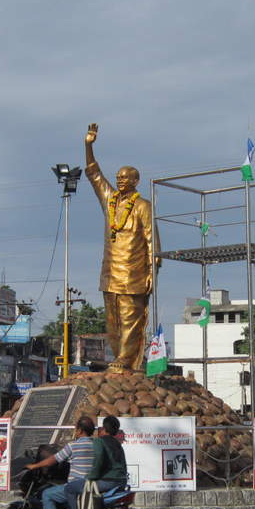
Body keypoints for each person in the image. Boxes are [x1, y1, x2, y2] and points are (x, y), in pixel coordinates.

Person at [85, 123, 158, 373]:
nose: (120, 180)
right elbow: (95, 175)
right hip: (110, 273)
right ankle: (119, 359)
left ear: (136, 181)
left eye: (125, 177)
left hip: (134, 273)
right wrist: (88, 146)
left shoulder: (143, 206)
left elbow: (152, 240)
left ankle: (127, 359)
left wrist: (151, 272)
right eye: (118, 177)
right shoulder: (110, 201)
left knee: (131, 319)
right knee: (112, 320)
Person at [24, 416, 96, 509]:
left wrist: (35, 465)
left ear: (80, 431)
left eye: (76, 429)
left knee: (47, 494)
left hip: (76, 486)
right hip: (93, 486)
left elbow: (53, 460)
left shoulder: (73, 446)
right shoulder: (97, 445)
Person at [65, 416, 128, 509]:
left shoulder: (100, 441)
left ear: (103, 429)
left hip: (107, 482)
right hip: (121, 481)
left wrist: (91, 477)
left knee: (70, 488)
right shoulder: (117, 444)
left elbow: (98, 460)